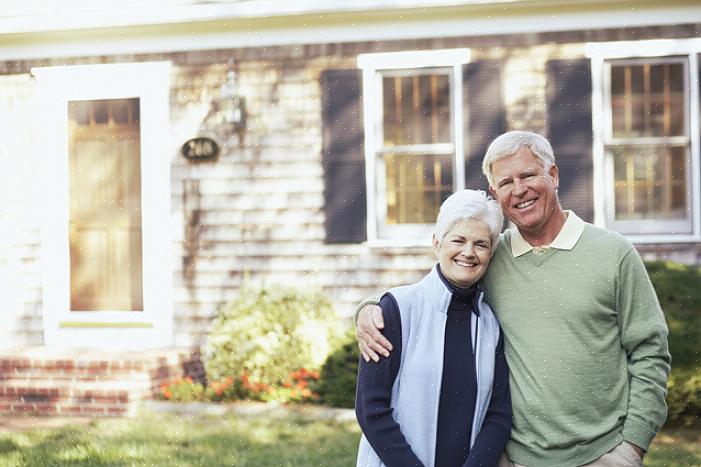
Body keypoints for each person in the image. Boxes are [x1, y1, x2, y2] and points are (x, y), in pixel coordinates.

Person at [355, 131, 671, 467]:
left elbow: (650, 350)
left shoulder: (613, 253)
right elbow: (440, 283)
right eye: (506, 182)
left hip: (603, 454)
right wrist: (371, 308)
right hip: (517, 458)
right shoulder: (493, 254)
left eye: (528, 175)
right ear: (495, 194)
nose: (519, 190)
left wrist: (633, 445)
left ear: (553, 175)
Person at [356, 189, 511, 467]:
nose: (468, 252)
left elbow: (497, 414)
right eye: (458, 240)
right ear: (437, 243)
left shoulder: (490, 324)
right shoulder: (396, 310)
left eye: (481, 244)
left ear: (491, 252)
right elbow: (371, 410)